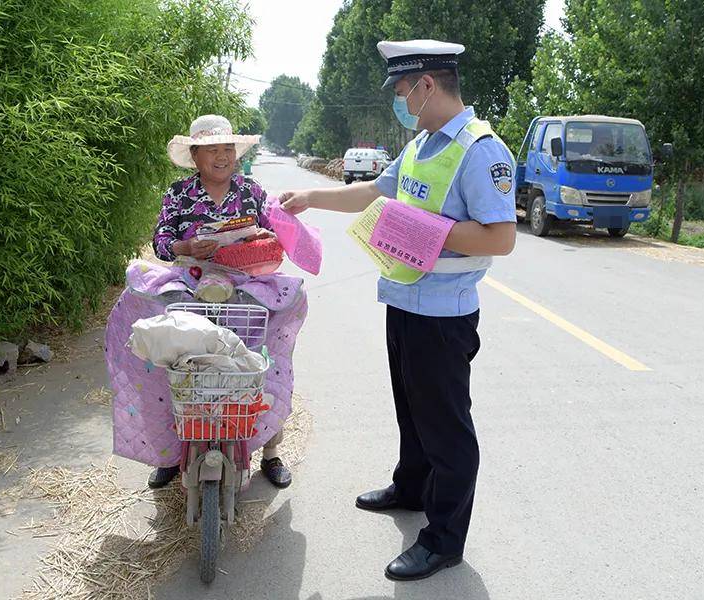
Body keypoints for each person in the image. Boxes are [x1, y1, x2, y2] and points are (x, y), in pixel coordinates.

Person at [280, 40, 516, 581]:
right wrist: (311, 198)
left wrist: (422, 230)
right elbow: (374, 193)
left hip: (444, 313)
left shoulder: (480, 150)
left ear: (428, 85)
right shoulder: (421, 146)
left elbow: (500, 237)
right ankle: (411, 488)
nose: (401, 102)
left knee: (446, 426)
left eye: (404, 91)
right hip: (404, 299)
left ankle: (443, 539)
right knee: (411, 408)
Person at [111, 114, 301, 490]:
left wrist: (260, 236)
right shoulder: (178, 193)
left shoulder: (252, 191)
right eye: (212, 149)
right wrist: (185, 246)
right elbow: (162, 242)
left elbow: (276, 239)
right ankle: (169, 454)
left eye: (227, 149)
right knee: (175, 365)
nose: (222, 156)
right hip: (190, 283)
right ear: (195, 156)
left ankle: (271, 452)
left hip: (246, 285)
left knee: (266, 360)